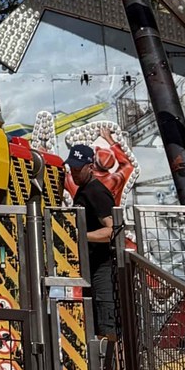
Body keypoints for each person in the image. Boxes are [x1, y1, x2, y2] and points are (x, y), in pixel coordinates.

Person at [66, 142, 120, 337]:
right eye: (71, 168)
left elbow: (112, 230)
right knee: (97, 324)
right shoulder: (84, 190)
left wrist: (80, 236)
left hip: (103, 267)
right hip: (92, 268)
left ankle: (113, 365)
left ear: (90, 167)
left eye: (78, 169)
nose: (74, 173)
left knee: (107, 325)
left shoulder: (95, 192)